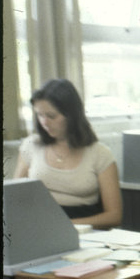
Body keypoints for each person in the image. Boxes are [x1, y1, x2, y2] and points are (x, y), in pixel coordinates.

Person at [14, 78, 122, 229]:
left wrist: (64, 226)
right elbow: (14, 197)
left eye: (51, 116)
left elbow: (114, 216)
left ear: (71, 115)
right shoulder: (31, 145)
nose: (44, 122)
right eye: (39, 115)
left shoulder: (100, 154)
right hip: (38, 226)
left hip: (84, 229)